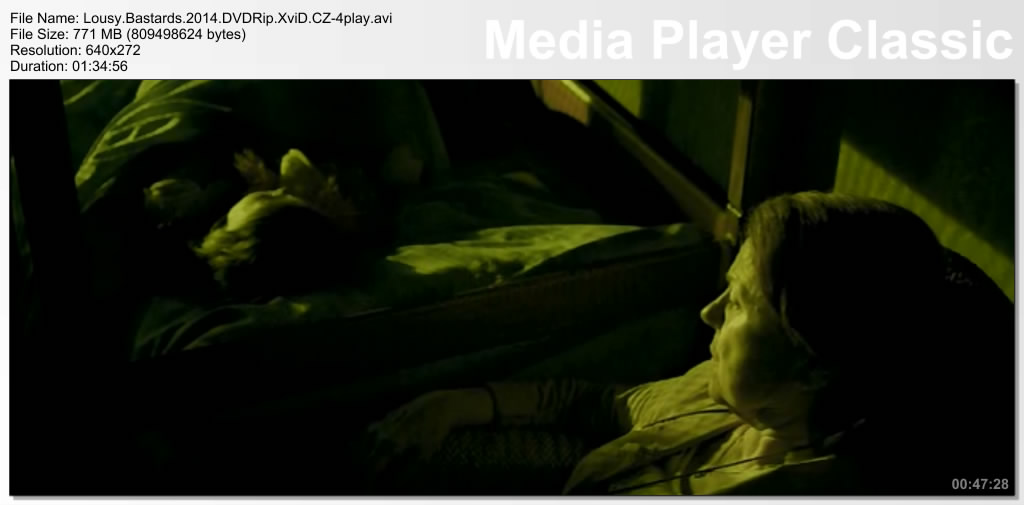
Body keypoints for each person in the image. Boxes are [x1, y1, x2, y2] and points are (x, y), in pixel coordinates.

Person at [366, 191, 989, 495]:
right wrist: (463, 403)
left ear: (815, 365)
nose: (709, 312)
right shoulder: (724, 397)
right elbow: (604, 405)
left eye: (738, 302)